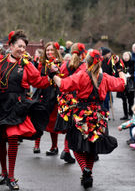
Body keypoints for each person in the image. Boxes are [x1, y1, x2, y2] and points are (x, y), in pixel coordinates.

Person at [0, 30, 51, 190]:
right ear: (11, 45)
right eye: (19, 46)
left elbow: (38, 82)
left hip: (17, 104)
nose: (22, 49)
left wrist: (52, 76)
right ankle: (3, 172)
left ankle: (11, 175)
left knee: (13, 136)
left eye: (24, 47)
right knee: (1, 139)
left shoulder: (26, 64)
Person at [51, 49, 126, 189]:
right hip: (98, 115)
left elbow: (63, 84)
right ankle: (89, 174)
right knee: (93, 147)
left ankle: (85, 169)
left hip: (82, 114)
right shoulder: (105, 77)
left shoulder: (82, 75)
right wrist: (120, 69)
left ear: (87, 62)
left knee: (74, 144)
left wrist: (52, 74)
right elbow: (122, 84)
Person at [55, 43, 87, 163]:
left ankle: (66, 150)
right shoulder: (83, 67)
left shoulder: (65, 65)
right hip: (77, 98)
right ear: (83, 53)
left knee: (69, 126)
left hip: (64, 98)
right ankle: (75, 151)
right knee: (77, 127)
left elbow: (59, 79)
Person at [32, 41, 62, 155]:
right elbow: (38, 78)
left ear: (56, 51)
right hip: (43, 93)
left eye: (51, 50)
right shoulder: (42, 64)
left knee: (52, 122)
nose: (49, 52)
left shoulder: (60, 63)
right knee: (38, 119)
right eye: (47, 50)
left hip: (55, 95)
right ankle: (36, 145)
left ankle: (54, 147)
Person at [118, 51, 135, 120]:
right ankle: (125, 115)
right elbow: (117, 72)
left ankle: (131, 113)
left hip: (131, 83)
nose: (125, 57)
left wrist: (130, 75)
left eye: (127, 55)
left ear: (129, 56)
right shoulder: (120, 64)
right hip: (123, 83)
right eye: (124, 55)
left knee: (131, 100)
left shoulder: (133, 63)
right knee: (124, 100)